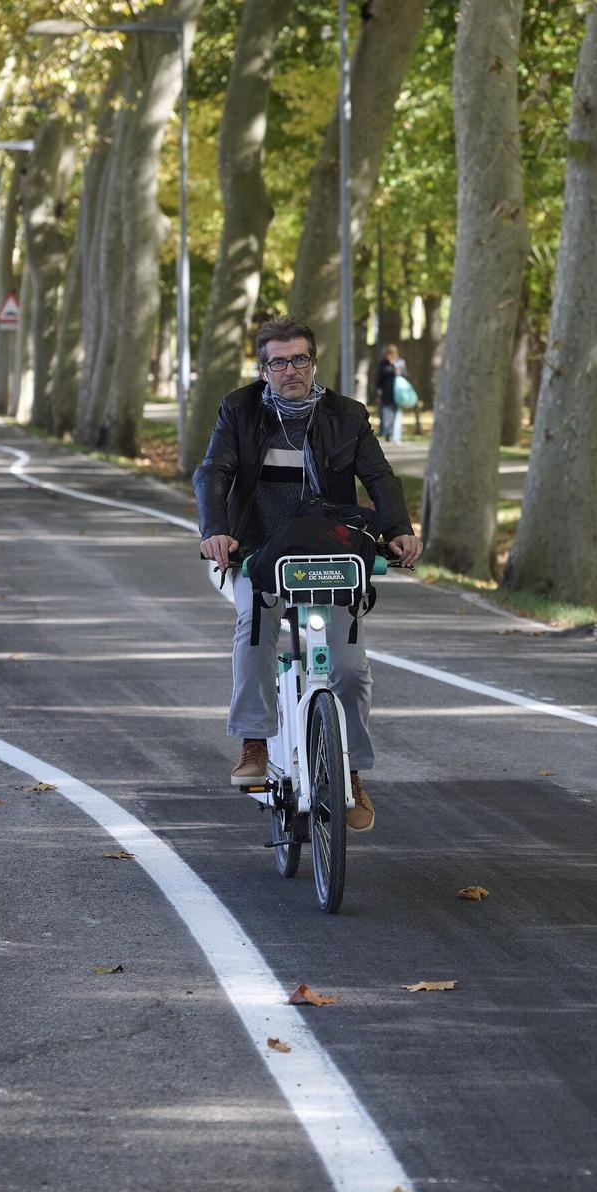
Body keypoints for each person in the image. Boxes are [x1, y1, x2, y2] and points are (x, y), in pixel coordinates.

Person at [192, 316, 422, 831]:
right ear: (263, 367)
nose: (290, 369)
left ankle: (350, 773)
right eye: (279, 361)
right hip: (256, 552)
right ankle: (254, 740)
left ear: (313, 363)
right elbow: (214, 472)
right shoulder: (239, 409)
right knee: (255, 630)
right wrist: (217, 531)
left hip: (329, 554)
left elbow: (379, 477)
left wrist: (399, 528)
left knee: (349, 667)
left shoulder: (347, 415)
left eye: (300, 359)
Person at [374, 344, 403, 445]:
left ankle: (396, 437)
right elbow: (379, 380)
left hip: (398, 394)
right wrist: (378, 394)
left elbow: (405, 375)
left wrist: (398, 370)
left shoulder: (400, 362)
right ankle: (387, 433)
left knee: (397, 416)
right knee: (387, 416)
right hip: (386, 394)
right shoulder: (383, 364)